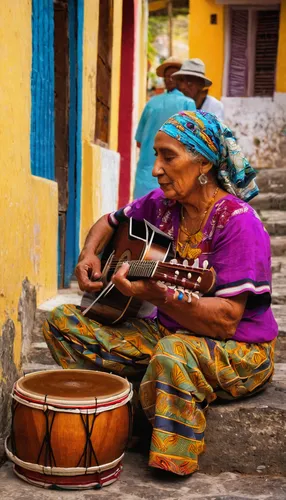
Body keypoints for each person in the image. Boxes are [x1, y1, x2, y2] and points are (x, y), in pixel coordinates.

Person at [43, 111, 278, 477]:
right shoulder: (162, 204)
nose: (156, 169)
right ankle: (131, 406)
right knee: (63, 323)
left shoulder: (239, 223)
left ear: (203, 162)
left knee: (171, 355)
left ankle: (171, 462)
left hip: (239, 349)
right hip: (169, 331)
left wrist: (161, 295)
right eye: (156, 155)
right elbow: (109, 222)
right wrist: (89, 254)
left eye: (168, 157)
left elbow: (227, 321)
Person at [134, 57, 196, 198]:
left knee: (141, 213)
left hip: (146, 173)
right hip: (173, 171)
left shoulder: (151, 103)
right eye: (167, 77)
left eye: (172, 77)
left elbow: (139, 142)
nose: (169, 80)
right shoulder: (188, 103)